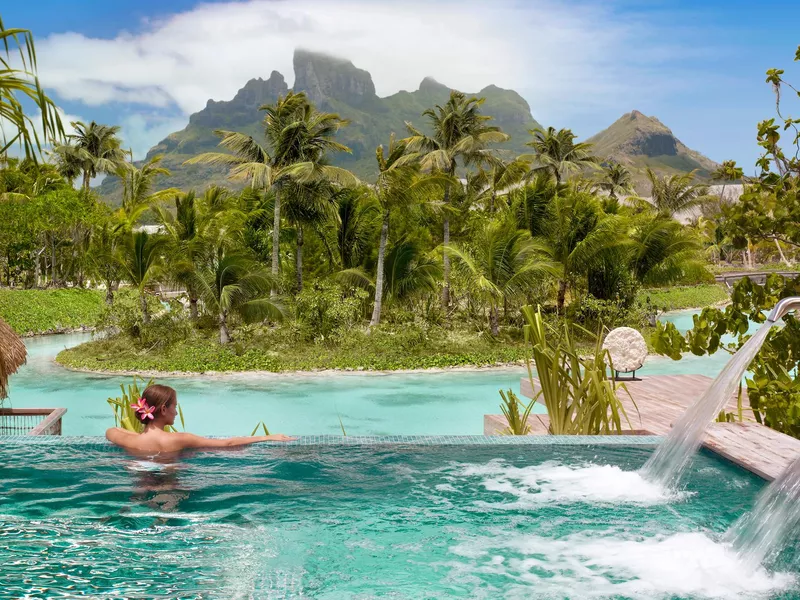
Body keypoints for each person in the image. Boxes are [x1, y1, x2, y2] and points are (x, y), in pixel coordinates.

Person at [106, 384, 296, 455]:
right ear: (163, 409)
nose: (176, 412)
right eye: (175, 407)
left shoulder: (131, 440)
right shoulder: (180, 439)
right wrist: (267, 437)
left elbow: (111, 431)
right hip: (169, 490)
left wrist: (138, 435)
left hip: (141, 488)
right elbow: (227, 443)